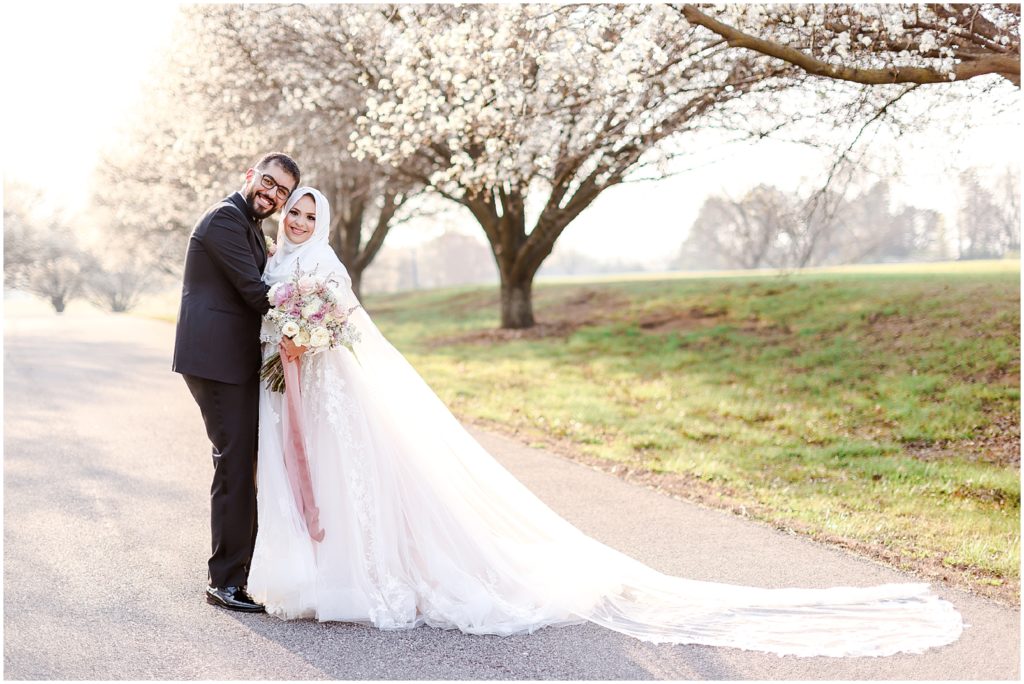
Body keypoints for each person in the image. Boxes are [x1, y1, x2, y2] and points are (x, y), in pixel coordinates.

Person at [248, 187, 963, 657]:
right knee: (325, 484)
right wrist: (289, 341)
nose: (300, 221)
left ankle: (363, 577)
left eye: (309, 215)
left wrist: (307, 333)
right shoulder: (283, 261)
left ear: (325, 222)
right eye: (295, 214)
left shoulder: (327, 270)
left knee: (352, 481)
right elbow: (279, 309)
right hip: (300, 393)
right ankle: (321, 574)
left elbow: (347, 331)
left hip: (335, 391)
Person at [173, 152, 304, 612]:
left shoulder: (250, 226)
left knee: (242, 463)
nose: (271, 193)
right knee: (234, 465)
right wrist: (306, 314)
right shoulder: (226, 220)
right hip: (217, 361)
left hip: (232, 360)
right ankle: (224, 582)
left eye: (281, 191)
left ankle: (239, 572)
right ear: (250, 176)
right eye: (267, 182)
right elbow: (254, 292)